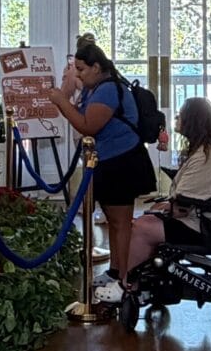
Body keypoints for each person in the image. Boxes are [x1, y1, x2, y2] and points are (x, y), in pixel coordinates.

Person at [49, 36, 157, 288]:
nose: (79, 75)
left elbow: (88, 126)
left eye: (81, 69)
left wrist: (61, 102)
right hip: (110, 160)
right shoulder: (96, 87)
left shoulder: (108, 89)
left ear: (96, 68)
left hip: (121, 162)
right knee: (114, 221)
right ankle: (115, 272)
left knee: (120, 223)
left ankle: (122, 277)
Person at [121, 97, 211, 286]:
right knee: (153, 213)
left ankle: (127, 286)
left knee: (142, 227)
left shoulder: (209, 155)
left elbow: (183, 204)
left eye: (180, 115)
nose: (176, 118)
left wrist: (164, 210)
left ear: (192, 121)